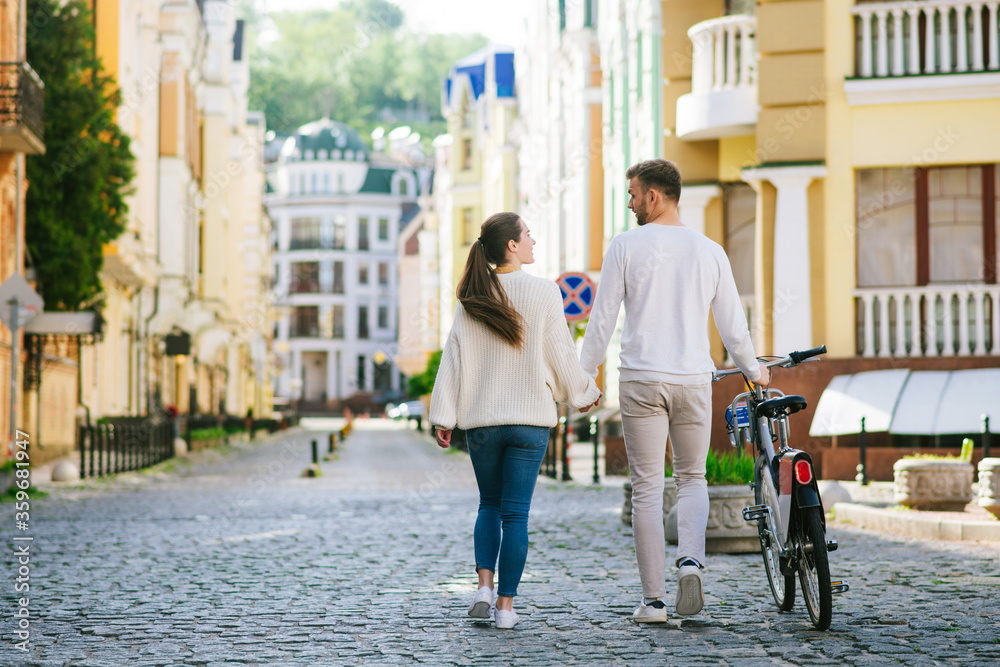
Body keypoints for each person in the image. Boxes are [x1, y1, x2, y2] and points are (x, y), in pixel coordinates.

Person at [579, 159, 769, 623]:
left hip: (642, 378)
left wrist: (582, 380)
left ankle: (654, 602)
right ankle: (690, 562)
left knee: (646, 488)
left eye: (632, 194)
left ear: (654, 196)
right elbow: (732, 325)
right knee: (692, 478)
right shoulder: (710, 251)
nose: (629, 203)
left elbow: (602, 321)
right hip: (693, 380)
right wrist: (754, 371)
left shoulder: (625, 246)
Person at [430, 212, 601, 630]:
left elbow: (453, 359)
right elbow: (560, 352)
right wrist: (584, 393)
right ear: (511, 245)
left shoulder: (472, 297)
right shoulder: (543, 292)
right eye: (527, 234)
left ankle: (484, 587)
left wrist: (443, 415)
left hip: (483, 424)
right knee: (516, 516)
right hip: (529, 423)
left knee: (488, 505)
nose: (533, 241)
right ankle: (506, 608)